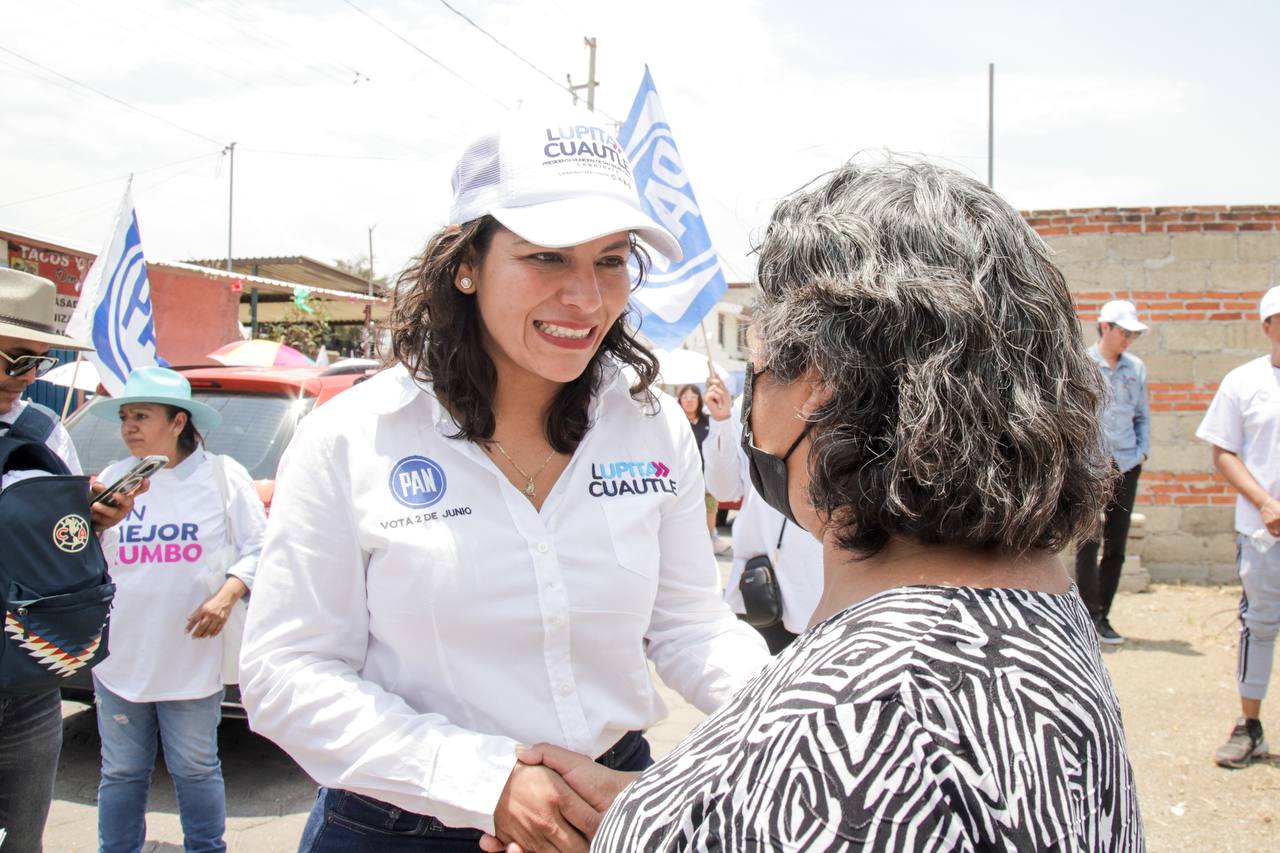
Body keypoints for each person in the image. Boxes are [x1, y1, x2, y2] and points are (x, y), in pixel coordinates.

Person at [494, 158, 1146, 851]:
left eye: (757, 366)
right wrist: (658, 813)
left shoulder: (851, 720)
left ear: (818, 383)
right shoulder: (1045, 611)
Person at [238, 111, 770, 853]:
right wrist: (483, 782)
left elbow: (689, 626)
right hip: (400, 827)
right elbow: (286, 671)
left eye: (611, 259)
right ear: (466, 262)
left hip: (608, 807)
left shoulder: (650, 426)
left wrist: (786, 715)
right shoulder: (353, 436)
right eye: (547, 256)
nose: (587, 298)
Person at [88, 366, 265, 853]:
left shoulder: (222, 476)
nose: (128, 428)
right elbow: (88, 559)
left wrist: (226, 596)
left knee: (195, 767)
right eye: (124, 417)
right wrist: (95, 526)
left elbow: (261, 548)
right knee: (121, 771)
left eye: (141, 416)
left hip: (190, 655)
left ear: (178, 421)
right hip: (121, 656)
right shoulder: (113, 479)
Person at [0, 268, 141, 853]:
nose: (23, 377)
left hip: (29, 683)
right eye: (11, 359)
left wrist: (95, 522)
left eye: (35, 361)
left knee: (21, 841)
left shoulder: (44, 430)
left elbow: (67, 549)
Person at [1196, 285, 1280, 770]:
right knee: (1260, 625)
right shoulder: (1244, 382)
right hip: (1264, 530)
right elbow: (1223, 452)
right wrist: (1264, 502)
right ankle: (1250, 726)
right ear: (1266, 325)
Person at [703, 373, 823, 654]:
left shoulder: (850, 395)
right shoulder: (747, 403)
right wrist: (721, 421)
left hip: (824, 587)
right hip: (762, 585)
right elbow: (724, 490)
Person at [1076, 299, 1151, 645]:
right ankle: (1086, 616)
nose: (1129, 340)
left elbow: (1142, 416)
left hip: (1127, 464)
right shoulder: (1083, 365)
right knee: (1087, 541)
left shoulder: (1136, 368)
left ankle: (1103, 616)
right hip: (1092, 467)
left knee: (1116, 544)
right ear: (1104, 326)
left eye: (1133, 335)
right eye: (1125, 332)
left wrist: (1142, 451)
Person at [674, 383, 719, 542]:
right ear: (680, 400)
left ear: (699, 400)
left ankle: (709, 540)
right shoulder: (676, 421)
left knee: (710, 507)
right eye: (685, 397)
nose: (689, 400)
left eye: (693, 397)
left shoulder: (708, 420)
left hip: (708, 474)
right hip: (684, 476)